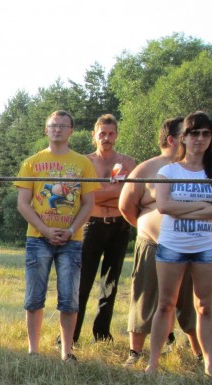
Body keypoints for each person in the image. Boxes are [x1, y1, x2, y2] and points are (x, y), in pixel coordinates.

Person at [145, 111, 212, 377]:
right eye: (195, 133)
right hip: (172, 245)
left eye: (206, 134)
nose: (200, 139)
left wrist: (184, 208)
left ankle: (209, 366)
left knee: (204, 306)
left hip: (207, 246)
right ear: (183, 137)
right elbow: (163, 206)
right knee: (165, 304)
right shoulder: (168, 171)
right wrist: (202, 205)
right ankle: (153, 364)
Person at [15, 110, 100, 361]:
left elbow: (88, 203)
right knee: (34, 297)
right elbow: (23, 203)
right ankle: (33, 350)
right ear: (46, 130)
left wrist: (72, 230)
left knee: (69, 298)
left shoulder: (84, 163)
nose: (58, 129)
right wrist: (45, 230)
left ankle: (67, 351)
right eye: (53, 125)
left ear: (71, 131)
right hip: (37, 239)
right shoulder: (31, 163)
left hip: (71, 241)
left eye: (63, 126)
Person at [118, 117, 200, 367]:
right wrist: (147, 225)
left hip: (189, 243)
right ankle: (136, 352)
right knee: (144, 295)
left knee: (190, 300)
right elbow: (126, 205)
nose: (193, 139)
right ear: (173, 139)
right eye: (187, 134)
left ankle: (199, 353)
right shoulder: (146, 168)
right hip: (152, 244)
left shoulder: (199, 167)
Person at [73, 114, 136, 343]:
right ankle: (71, 335)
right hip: (91, 225)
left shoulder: (128, 163)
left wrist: (99, 194)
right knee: (82, 282)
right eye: (102, 134)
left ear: (116, 135)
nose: (106, 138)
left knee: (110, 284)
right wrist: (115, 192)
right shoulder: (84, 162)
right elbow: (82, 197)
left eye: (110, 134)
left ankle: (102, 334)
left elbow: (133, 195)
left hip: (120, 226)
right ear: (94, 135)